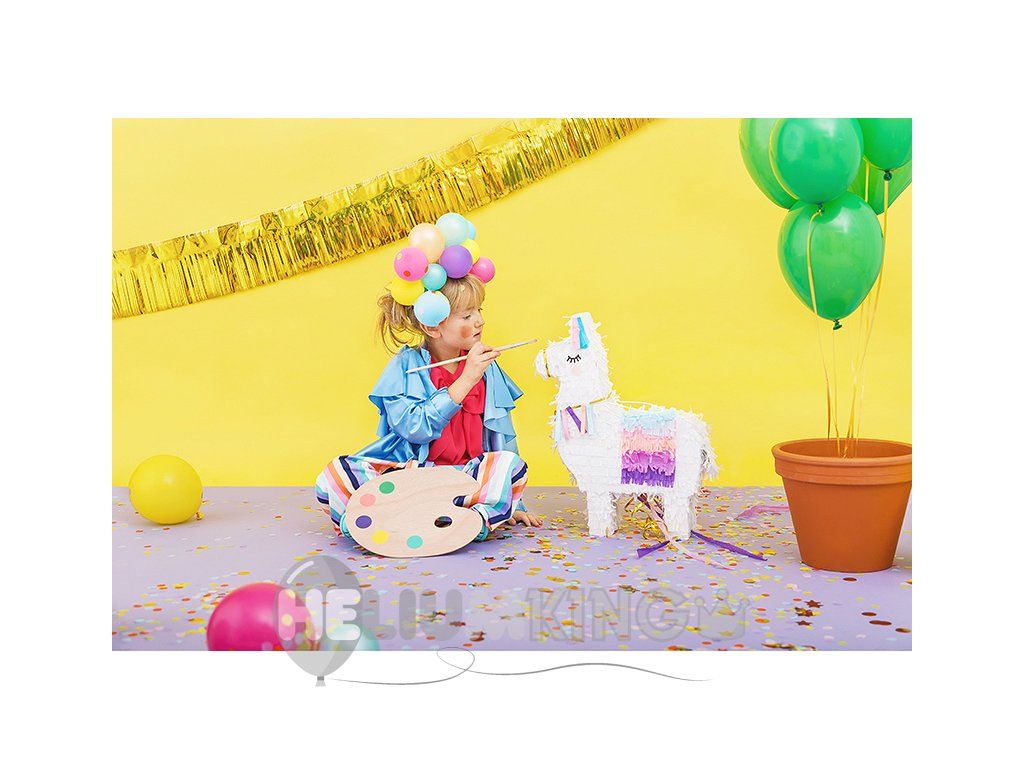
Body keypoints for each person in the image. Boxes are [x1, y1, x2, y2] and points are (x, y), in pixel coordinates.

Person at [315, 270, 539, 543]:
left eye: (479, 310)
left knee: (509, 465)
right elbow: (414, 429)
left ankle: (468, 522)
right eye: (466, 316)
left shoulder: (487, 369)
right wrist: (465, 380)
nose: (479, 320)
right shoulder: (406, 365)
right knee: (335, 475)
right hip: (411, 476)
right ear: (432, 327)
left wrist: (515, 500)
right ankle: (381, 520)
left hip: (466, 478)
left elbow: (502, 439)